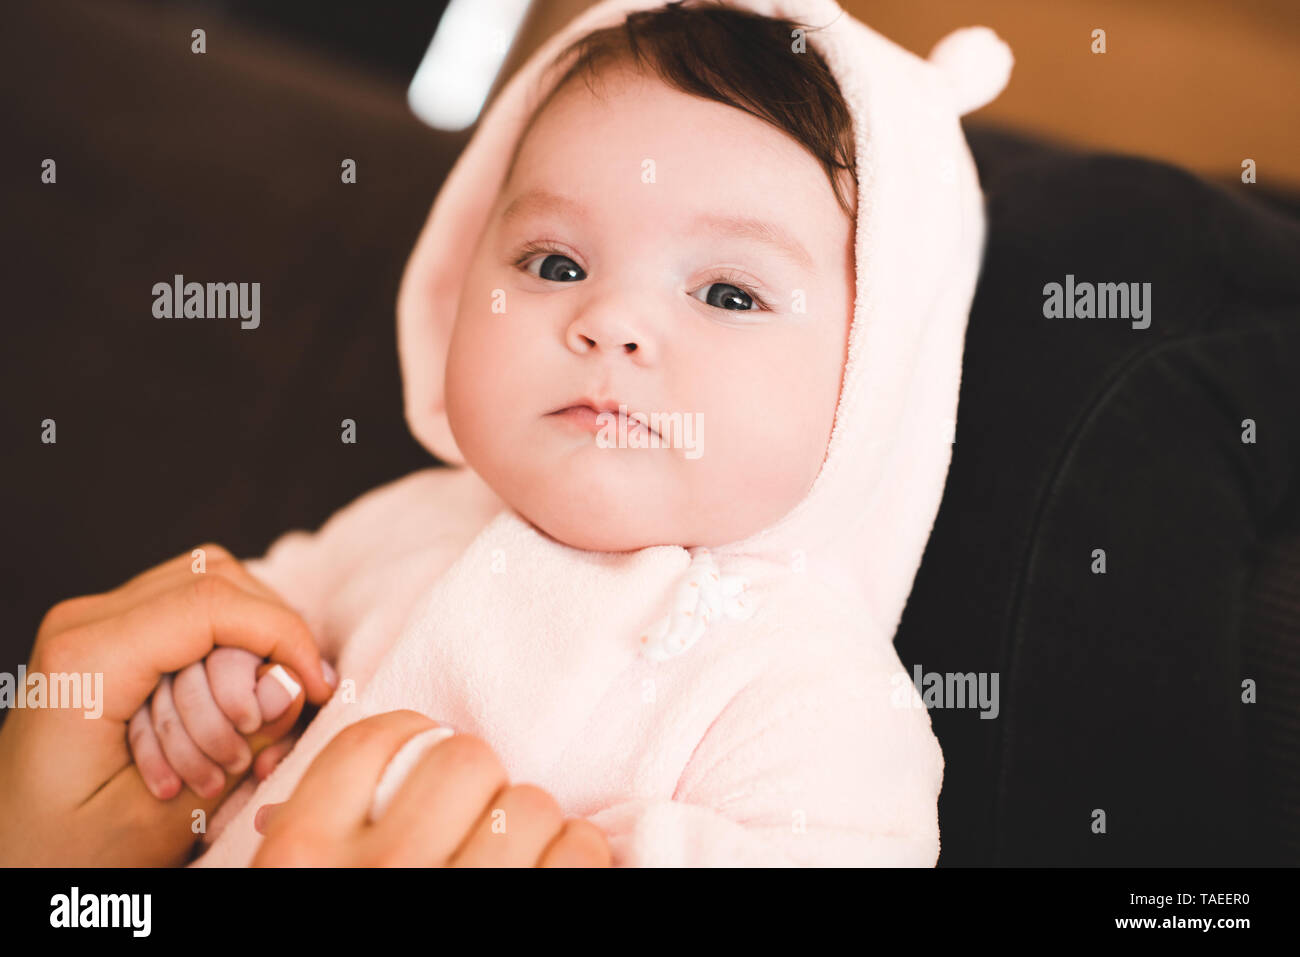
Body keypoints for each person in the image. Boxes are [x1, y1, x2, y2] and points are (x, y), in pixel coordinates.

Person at [0, 547, 610, 866]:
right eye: (549, 294)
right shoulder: (408, 514)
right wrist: (216, 681)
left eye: (712, 298)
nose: (607, 327)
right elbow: (259, 607)